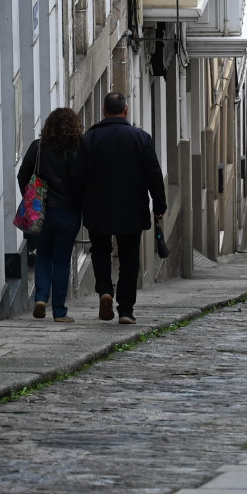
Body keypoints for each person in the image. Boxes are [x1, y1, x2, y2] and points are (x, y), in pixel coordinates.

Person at [74, 91, 167, 324]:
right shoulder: (141, 138)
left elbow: (78, 176)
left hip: (98, 207)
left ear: (103, 111)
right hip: (131, 207)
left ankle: (105, 290)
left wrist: (78, 204)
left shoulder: (89, 139)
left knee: (100, 250)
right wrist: (159, 204)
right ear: (126, 110)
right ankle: (125, 309)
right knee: (129, 257)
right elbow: (154, 174)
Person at [18, 107, 84, 323]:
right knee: (62, 259)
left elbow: (23, 174)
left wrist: (31, 198)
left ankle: (40, 298)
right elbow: (83, 181)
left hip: (42, 211)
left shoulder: (38, 148)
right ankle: (59, 311)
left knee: (43, 255)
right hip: (69, 212)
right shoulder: (78, 150)